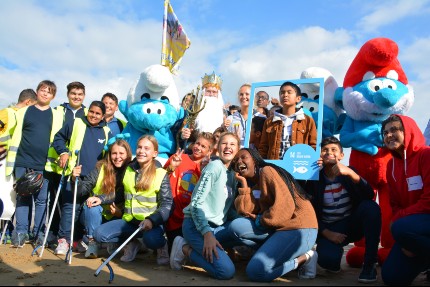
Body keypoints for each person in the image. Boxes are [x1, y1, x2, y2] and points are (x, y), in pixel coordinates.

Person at [229, 148, 318, 282]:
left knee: (256, 272)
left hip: (300, 228)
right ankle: (279, 257)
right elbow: (245, 210)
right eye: (236, 160)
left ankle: (305, 258)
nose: (238, 161)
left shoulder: (267, 171)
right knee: (238, 227)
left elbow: (284, 208)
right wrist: (244, 183)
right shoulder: (257, 185)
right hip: (280, 229)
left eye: (243, 157)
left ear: (255, 159)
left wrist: (261, 219)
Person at [304, 136, 381, 283]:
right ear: (319, 155)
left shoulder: (349, 172)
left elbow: (369, 195)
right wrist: (326, 232)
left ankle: (370, 263)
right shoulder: (314, 179)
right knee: (328, 261)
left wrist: (352, 174)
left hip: (351, 223)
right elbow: (308, 211)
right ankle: (334, 253)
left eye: (334, 150)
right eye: (324, 150)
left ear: (341, 155)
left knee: (371, 207)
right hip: (330, 228)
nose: (329, 153)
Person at [169, 132, 241, 280]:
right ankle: (184, 249)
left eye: (232, 144)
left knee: (242, 230)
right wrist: (207, 234)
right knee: (226, 271)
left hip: (216, 227)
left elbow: (227, 209)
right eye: (224, 143)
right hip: (196, 226)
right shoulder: (214, 167)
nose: (228, 147)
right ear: (217, 148)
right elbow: (195, 204)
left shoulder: (233, 174)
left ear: (238, 149)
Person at [93, 135, 173, 263]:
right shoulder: (129, 169)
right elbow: (120, 194)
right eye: (139, 147)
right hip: (129, 222)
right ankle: (132, 243)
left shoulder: (161, 174)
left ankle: (161, 246)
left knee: (151, 239)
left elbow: (167, 204)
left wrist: (152, 220)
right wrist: (101, 198)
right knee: (99, 234)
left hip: (150, 225)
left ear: (155, 153)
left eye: (146, 148)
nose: (141, 151)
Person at [7, 80, 63, 247]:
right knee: (23, 196)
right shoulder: (23, 112)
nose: (45, 93)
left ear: (53, 96)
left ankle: (39, 232)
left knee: (41, 200)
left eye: (49, 92)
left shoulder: (56, 115)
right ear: (37, 92)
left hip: (44, 164)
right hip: (22, 160)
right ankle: (21, 232)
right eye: (42, 90)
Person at [52, 100, 112, 255]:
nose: (93, 115)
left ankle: (78, 240)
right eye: (91, 111)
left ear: (103, 115)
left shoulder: (106, 131)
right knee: (70, 207)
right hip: (74, 175)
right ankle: (64, 240)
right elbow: (58, 138)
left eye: (98, 113)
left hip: (93, 180)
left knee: (85, 211)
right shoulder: (76, 123)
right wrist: (63, 152)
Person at [380, 115, 430, 286]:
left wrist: (400, 223)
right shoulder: (390, 166)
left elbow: (429, 200)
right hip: (411, 228)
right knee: (392, 277)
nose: (388, 135)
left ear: (408, 131)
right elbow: (394, 204)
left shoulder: (426, 154)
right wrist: (406, 240)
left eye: (394, 130)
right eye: (385, 132)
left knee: (400, 227)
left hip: (424, 220)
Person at [71, 139, 132, 258]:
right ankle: (92, 243)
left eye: (121, 153)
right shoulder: (100, 168)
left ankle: (113, 242)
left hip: (120, 215)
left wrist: (101, 198)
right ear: (109, 154)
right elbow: (82, 190)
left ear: (127, 155)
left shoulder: (132, 169)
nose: (117, 157)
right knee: (91, 206)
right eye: (114, 153)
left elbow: (121, 194)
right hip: (95, 216)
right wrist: (74, 180)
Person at [163, 132, 215, 254]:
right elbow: (161, 176)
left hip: (189, 216)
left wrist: (204, 171)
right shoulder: (179, 158)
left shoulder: (208, 168)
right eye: (197, 143)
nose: (198, 148)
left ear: (209, 151)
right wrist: (172, 166)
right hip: (172, 212)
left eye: (203, 146)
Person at [0, 89, 36, 243]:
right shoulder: (7, 113)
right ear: (28, 102)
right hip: (3, 161)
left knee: (12, 197)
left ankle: (9, 230)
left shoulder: (25, 117)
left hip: (16, 162)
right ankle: (4, 230)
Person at [258, 81, 317, 159]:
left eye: (289, 92)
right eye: (282, 93)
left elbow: (313, 146)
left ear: (298, 98)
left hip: (297, 165)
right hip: (274, 166)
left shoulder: (308, 121)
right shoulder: (269, 121)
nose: (285, 95)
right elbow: (263, 148)